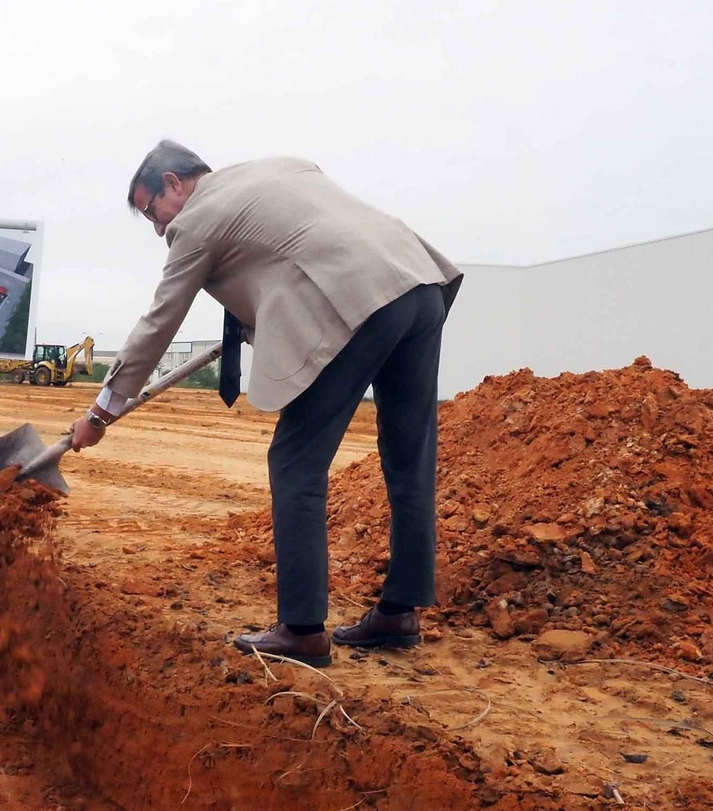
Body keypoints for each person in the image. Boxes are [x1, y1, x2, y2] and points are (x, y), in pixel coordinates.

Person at [71, 142, 462, 667]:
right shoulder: (281, 167)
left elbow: (160, 321)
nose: (158, 228)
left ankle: (302, 628)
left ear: (174, 183)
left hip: (358, 302)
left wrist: (101, 412)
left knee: (295, 463)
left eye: (151, 211)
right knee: (408, 457)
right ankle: (399, 613)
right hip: (418, 285)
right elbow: (295, 255)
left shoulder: (198, 220)